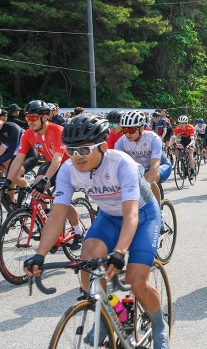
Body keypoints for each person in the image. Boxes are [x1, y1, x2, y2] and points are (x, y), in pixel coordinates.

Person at [23, 114, 169, 349]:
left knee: (135, 279)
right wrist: (40, 253)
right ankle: (106, 312)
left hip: (142, 216)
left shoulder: (122, 164)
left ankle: (159, 324)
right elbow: (58, 214)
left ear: (102, 147)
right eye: (72, 151)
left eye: (83, 150)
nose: (76, 157)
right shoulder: (67, 170)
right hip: (109, 217)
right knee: (87, 262)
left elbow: (131, 212)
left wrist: (120, 251)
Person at [4, 100, 82, 249]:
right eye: (27, 118)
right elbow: (19, 158)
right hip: (50, 163)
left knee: (62, 199)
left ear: (45, 117)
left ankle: (78, 232)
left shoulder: (58, 130)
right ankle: (49, 222)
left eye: (33, 118)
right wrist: (8, 180)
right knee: (35, 189)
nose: (30, 121)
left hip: (68, 165)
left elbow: (58, 159)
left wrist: (45, 179)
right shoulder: (28, 134)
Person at [116, 110, 171, 203]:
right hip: (140, 169)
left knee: (148, 179)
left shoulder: (153, 138)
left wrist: (147, 184)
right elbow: (116, 165)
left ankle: (158, 211)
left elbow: (154, 166)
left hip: (161, 165)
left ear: (141, 128)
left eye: (131, 130)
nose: (128, 133)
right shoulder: (122, 141)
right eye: (125, 130)